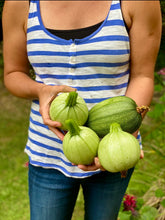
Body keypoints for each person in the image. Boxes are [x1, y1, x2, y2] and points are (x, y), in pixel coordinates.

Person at [2, 0, 161, 219]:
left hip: (114, 147)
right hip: (48, 148)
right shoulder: (21, 3)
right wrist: (41, 90)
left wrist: (122, 140)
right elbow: (13, 74)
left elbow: (142, 76)